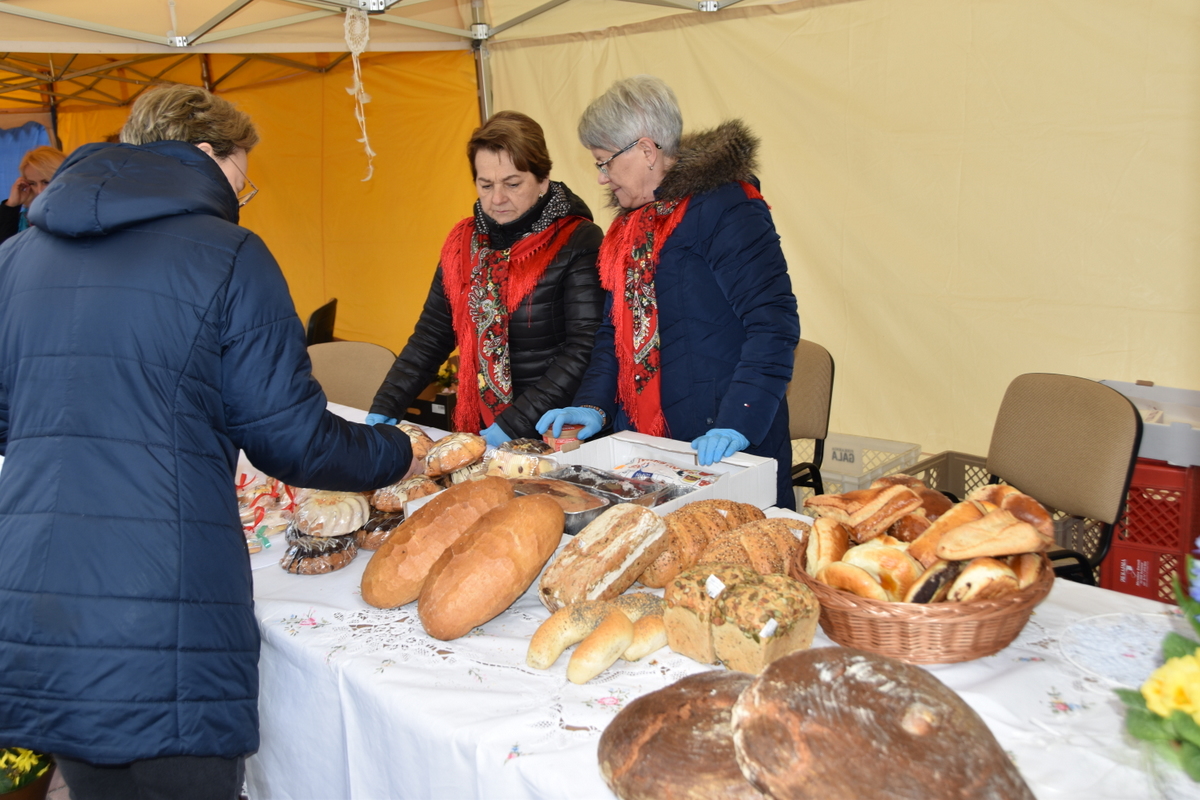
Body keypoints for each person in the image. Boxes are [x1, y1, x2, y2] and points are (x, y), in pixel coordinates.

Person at [0, 85, 416, 799]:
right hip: (163, 604)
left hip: (38, 598)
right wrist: (395, 449)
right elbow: (293, 440)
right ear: (202, 155)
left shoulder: (16, 257)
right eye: (240, 176)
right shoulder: (228, 254)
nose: (240, 196)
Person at [537, 76, 801, 509]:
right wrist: (592, 405)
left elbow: (772, 323)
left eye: (604, 163)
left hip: (722, 441)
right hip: (647, 450)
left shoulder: (728, 206)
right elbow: (611, 334)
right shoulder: (628, 226)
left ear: (645, 150)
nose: (602, 179)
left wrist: (738, 421)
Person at [365, 111, 604, 447]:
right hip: (481, 425)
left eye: (512, 183)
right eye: (485, 184)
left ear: (543, 179)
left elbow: (584, 348)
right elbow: (431, 336)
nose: (497, 199)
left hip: (556, 430)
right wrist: (385, 405)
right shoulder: (462, 244)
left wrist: (513, 425)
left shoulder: (578, 240)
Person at [0, 145, 65, 244]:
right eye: (32, 183)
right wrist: (12, 205)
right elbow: (4, 252)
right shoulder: (23, 219)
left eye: (46, 182)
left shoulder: (76, 215)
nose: (39, 191)